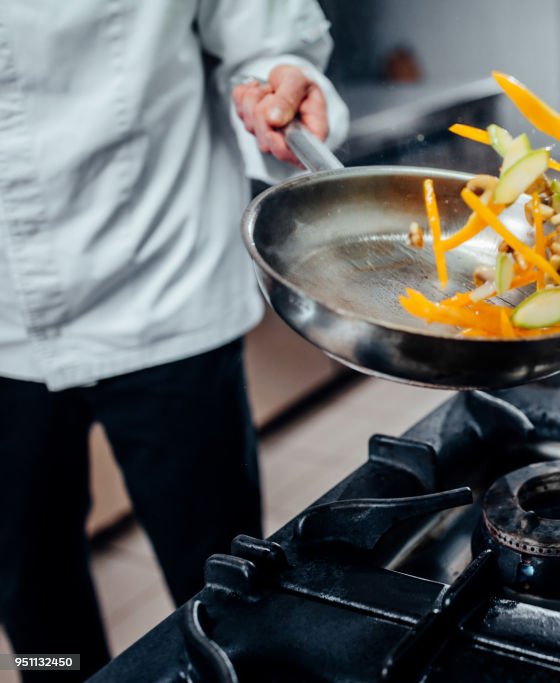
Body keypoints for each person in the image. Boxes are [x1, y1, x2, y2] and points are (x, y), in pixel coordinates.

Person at [0, 2, 348, 680]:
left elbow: (263, 38)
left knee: (223, 589)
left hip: (165, 275)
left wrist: (281, 80)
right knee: (34, 603)